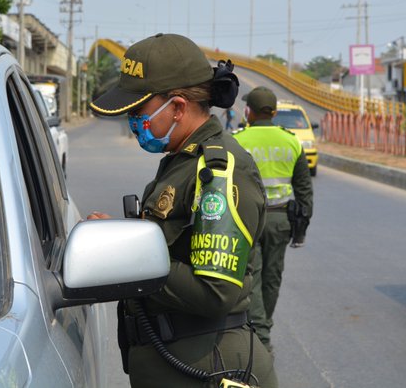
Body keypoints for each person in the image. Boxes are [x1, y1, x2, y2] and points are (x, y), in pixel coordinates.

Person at [88, 34, 277, 388]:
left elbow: (214, 292)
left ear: (176, 107)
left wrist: (124, 252)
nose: (132, 122)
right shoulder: (182, 160)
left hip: (209, 369)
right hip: (179, 361)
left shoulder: (219, 170)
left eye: (138, 111)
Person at [232, 86, 313, 353]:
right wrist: (301, 229)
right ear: (275, 113)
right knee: (272, 277)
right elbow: (304, 190)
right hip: (280, 221)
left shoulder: (238, 140)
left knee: (251, 278)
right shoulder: (291, 141)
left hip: (247, 221)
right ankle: (264, 327)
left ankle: (260, 336)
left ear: (249, 112)